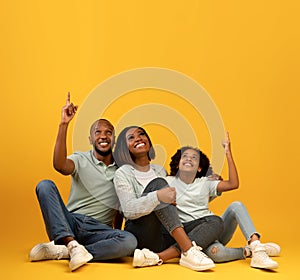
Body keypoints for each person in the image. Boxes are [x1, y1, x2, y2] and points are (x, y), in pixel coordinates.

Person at [29, 93, 137, 271]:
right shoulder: (80, 159)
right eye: (98, 132)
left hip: (99, 230)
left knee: (129, 241)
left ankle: (65, 251)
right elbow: (59, 165)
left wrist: (116, 232)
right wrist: (64, 124)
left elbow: (119, 207)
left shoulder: (122, 171)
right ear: (90, 139)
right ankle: (70, 243)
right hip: (70, 222)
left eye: (108, 132)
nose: (103, 136)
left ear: (114, 140)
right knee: (45, 185)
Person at [113, 126, 224, 271]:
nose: (138, 138)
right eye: (131, 138)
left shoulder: (159, 170)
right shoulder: (123, 173)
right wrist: (157, 196)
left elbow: (181, 197)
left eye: (141, 134)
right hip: (142, 232)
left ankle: (159, 256)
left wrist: (208, 184)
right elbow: (128, 210)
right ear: (124, 147)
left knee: (215, 221)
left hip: (165, 235)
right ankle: (189, 250)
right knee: (159, 184)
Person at [166, 132, 280, 270]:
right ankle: (248, 251)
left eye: (194, 158)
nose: (189, 159)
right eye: (185, 156)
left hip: (214, 228)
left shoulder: (205, 182)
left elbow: (233, 184)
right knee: (217, 254)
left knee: (236, 205)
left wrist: (228, 153)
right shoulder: (168, 182)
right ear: (177, 164)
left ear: (200, 168)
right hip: (193, 237)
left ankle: (256, 246)